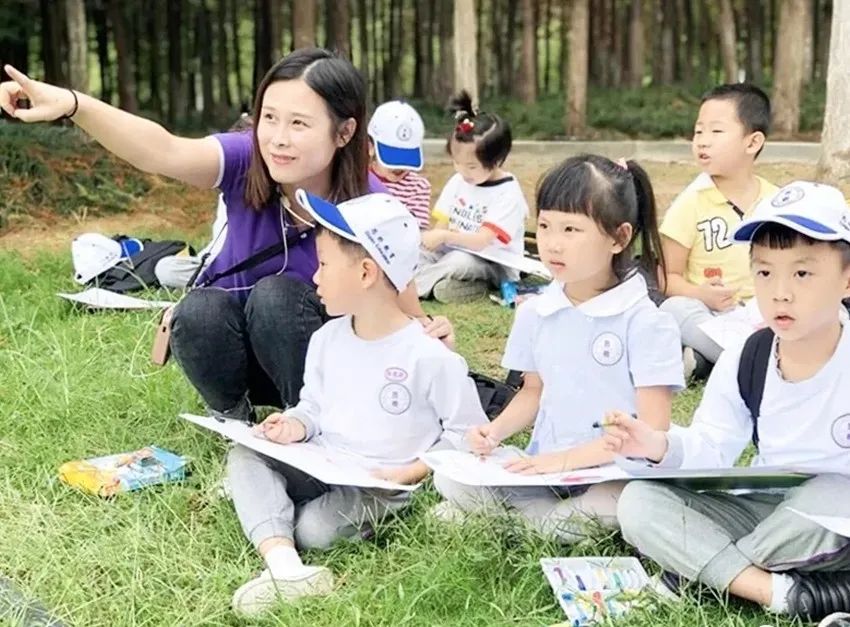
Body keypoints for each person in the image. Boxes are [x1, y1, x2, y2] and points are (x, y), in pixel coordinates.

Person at [0, 49, 454, 423]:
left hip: (322, 361)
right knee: (197, 308)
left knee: (277, 296)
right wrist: (74, 104)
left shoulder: (370, 204)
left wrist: (431, 335)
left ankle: (310, 422)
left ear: (345, 131)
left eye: (299, 123)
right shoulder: (246, 159)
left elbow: (402, 302)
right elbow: (162, 150)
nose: (277, 138)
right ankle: (233, 420)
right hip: (234, 349)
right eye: (269, 118)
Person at [227, 190, 487, 616]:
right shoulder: (327, 339)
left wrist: (414, 469)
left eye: (325, 265)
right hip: (324, 461)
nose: (315, 278)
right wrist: (293, 425)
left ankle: (282, 531)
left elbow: (466, 433)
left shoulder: (429, 355)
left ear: (367, 272)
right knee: (245, 456)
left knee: (312, 528)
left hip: (380, 485)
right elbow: (313, 406)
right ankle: (285, 566)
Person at [608, 181, 850, 625]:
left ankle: (695, 573)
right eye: (764, 272)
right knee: (639, 502)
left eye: (802, 273)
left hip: (835, 517)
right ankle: (780, 593)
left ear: (847, 276)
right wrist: (658, 446)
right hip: (768, 508)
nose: (780, 292)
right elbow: (712, 444)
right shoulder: (749, 355)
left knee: (835, 493)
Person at [431, 155, 684, 542]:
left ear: (618, 238)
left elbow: (653, 430)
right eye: (545, 226)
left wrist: (564, 461)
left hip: (616, 474)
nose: (552, 243)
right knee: (449, 477)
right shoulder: (537, 311)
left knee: (616, 504)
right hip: (546, 468)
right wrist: (494, 432)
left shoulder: (647, 321)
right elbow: (533, 392)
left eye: (571, 229)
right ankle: (536, 521)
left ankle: (521, 522)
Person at [658, 84, 778, 377]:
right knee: (674, 310)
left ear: (752, 142)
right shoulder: (691, 203)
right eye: (698, 132)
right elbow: (665, 278)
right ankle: (757, 365)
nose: (702, 141)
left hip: (768, 312)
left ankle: (708, 362)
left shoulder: (775, 202)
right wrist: (701, 294)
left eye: (716, 131)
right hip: (712, 314)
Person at [414, 90, 529, 304]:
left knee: (459, 262)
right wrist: (430, 241)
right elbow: (442, 223)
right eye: (457, 162)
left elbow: (481, 242)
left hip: (492, 262)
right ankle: (448, 287)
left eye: (471, 166)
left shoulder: (507, 193)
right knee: (417, 251)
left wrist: (445, 237)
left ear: (496, 161)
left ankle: (412, 290)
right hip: (453, 250)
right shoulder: (459, 180)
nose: (462, 171)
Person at [367, 100, 432, 230]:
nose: (400, 167)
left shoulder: (418, 187)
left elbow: (415, 230)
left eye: (406, 159)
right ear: (371, 147)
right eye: (393, 159)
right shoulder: (357, 178)